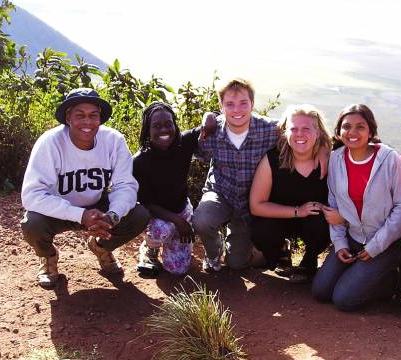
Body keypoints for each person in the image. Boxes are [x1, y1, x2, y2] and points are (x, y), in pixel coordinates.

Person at [192, 78, 328, 272]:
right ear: (221, 106)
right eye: (229, 104)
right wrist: (207, 118)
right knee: (202, 220)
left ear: (253, 104)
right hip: (221, 192)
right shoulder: (211, 132)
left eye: (243, 103)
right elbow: (187, 147)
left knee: (237, 264)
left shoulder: (270, 129)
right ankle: (213, 254)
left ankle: (277, 248)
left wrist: (322, 148)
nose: (237, 110)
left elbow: (303, 133)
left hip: (249, 201)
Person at [21, 88, 149, 288]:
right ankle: (48, 257)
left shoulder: (113, 140)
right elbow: (32, 195)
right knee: (32, 224)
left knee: (139, 214)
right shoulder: (50, 142)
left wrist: (112, 216)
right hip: (59, 209)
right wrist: (80, 215)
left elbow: (125, 185)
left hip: (98, 206)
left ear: (100, 118)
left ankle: (101, 247)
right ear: (68, 117)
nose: (87, 122)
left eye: (93, 115)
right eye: (80, 115)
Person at [311, 104, 401, 309]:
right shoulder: (336, 160)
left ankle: (393, 280)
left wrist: (376, 246)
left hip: (386, 242)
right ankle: (363, 275)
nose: (353, 132)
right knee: (321, 291)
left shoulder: (388, 159)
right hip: (352, 239)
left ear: (371, 131)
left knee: (344, 300)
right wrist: (340, 243)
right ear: (339, 132)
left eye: (360, 126)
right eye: (347, 126)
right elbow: (333, 204)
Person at [249, 105, 332, 283]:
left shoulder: (331, 158)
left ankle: (309, 260)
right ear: (285, 132)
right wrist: (298, 211)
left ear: (317, 132)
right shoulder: (272, 159)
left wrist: (324, 149)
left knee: (321, 220)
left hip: (313, 223)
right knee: (261, 229)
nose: (299, 134)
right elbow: (256, 206)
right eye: (293, 129)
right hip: (281, 218)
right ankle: (280, 253)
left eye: (306, 129)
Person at [132, 102, 199, 276]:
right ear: (148, 130)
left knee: (177, 270)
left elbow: (211, 121)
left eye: (168, 124)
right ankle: (150, 248)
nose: (164, 130)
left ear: (175, 125)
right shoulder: (140, 162)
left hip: (182, 210)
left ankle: (173, 246)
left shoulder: (184, 143)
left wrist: (209, 117)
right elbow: (146, 203)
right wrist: (178, 222)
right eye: (157, 126)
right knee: (161, 230)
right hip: (158, 218)